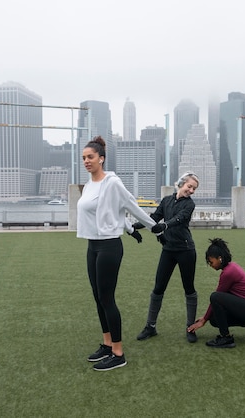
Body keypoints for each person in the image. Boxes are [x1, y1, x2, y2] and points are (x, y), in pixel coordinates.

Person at [76, 136, 161, 371]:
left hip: (109, 246)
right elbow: (111, 212)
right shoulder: (90, 184)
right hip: (92, 245)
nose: (86, 161)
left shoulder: (112, 182)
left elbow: (130, 204)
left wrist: (154, 227)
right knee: (97, 297)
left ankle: (118, 352)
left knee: (107, 298)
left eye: (90, 157)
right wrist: (130, 228)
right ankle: (106, 344)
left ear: (101, 159)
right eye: (83, 158)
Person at [134, 172, 200, 343]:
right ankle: (150, 327)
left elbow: (179, 219)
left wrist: (164, 225)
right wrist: (133, 226)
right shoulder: (166, 200)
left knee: (189, 289)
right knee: (158, 288)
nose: (191, 190)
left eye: (194, 189)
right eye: (189, 186)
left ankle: (190, 328)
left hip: (186, 250)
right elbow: (154, 218)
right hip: (168, 250)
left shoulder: (189, 205)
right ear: (181, 184)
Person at [187, 238, 245, 348]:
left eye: (211, 262)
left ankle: (226, 338)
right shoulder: (231, 267)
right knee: (214, 319)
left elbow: (217, 297)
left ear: (219, 258)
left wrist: (203, 320)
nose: (210, 265)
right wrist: (207, 318)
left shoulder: (229, 273)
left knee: (215, 297)